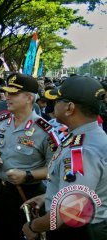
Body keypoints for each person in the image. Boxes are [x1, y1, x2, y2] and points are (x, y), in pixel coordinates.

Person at [22, 76, 107, 240]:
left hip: (81, 231)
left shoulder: (82, 150)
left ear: (69, 107)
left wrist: (33, 226)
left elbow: (69, 211)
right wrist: (48, 198)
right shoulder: (90, 136)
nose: (53, 104)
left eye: (58, 100)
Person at [0, 73, 55, 240]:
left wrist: (27, 175)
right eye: (7, 92)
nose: (7, 96)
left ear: (29, 98)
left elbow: (56, 169)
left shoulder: (45, 130)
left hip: (29, 197)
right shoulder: (3, 123)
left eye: (13, 93)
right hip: (2, 192)